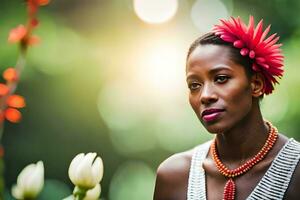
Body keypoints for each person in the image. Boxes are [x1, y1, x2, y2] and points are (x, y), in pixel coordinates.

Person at [153, 16, 300, 200]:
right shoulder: (174, 176)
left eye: (221, 78)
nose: (205, 95)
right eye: (194, 85)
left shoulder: (296, 170)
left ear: (256, 84)